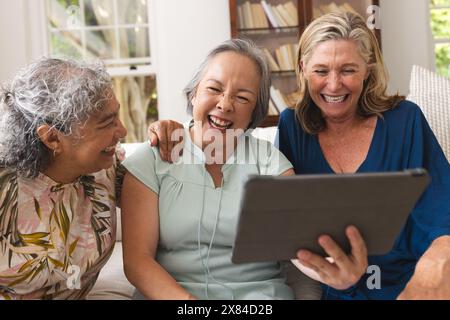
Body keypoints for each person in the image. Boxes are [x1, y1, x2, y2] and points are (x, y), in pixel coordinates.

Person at [147, 12, 450, 300]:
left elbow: (441, 211)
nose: (333, 84)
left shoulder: (405, 120)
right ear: (303, 69)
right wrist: (177, 130)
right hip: (339, 288)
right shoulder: (293, 126)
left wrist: (431, 271)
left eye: (348, 70)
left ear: (367, 70)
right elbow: (288, 223)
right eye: (321, 71)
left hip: (411, 282)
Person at [120, 39, 321, 300]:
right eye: (214, 88)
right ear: (194, 94)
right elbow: (137, 261)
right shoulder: (151, 159)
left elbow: (300, 241)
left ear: (253, 113)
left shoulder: (270, 162)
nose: (225, 104)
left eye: (242, 97)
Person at [0, 58, 127, 299]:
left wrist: (171, 134)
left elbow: (163, 187)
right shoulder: (5, 187)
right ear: (52, 139)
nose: (122, 132)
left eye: (117, 117)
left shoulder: (107, 167)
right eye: (107, 123)